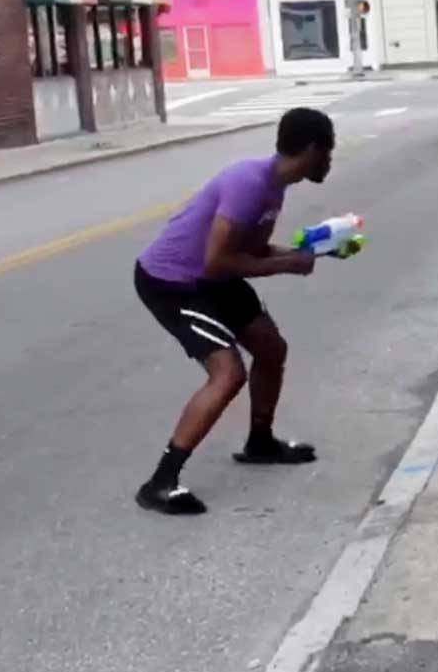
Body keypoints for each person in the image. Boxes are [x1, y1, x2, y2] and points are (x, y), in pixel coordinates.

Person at [131, 107, 335, 515]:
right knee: (228, 374)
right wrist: (285, 264)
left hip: (212, 278)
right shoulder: (248, 183)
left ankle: (260, 442)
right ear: (311, 149)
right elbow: (216, 262)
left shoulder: (274, 186)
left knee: (271, 349)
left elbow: (251, 253)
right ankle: (160, 482)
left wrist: (306, 252)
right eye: (328, 151)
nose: (330, 160)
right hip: (174, 283)